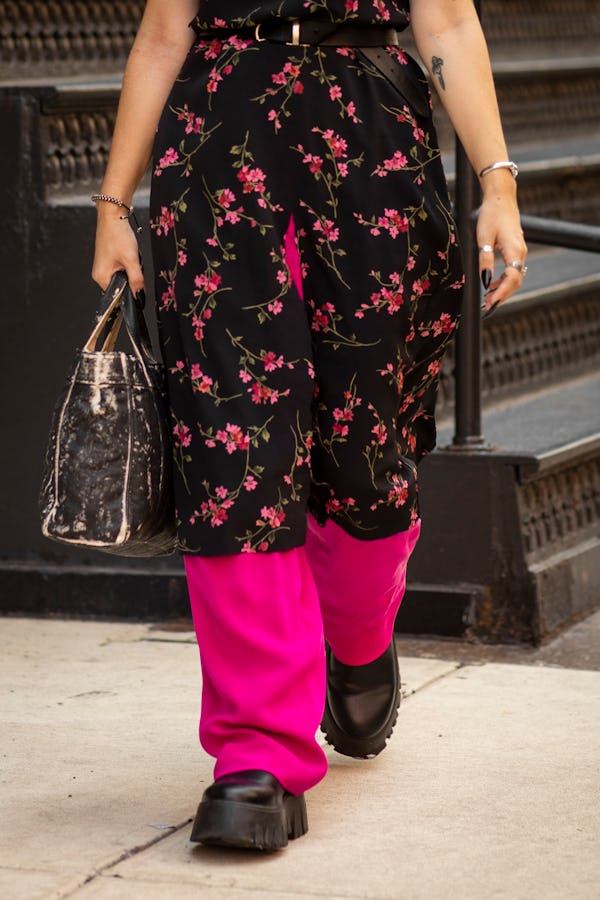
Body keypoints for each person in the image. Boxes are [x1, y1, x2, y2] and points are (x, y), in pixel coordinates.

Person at [92, 0, 527, 851]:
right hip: (221, 146)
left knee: (366, 457)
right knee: (234, 448)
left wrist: (499, 184)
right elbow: (161, 34)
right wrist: (113, 205)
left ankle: (360, 634)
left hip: (371, 145)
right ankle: (258, 752)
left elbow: (447, 26)